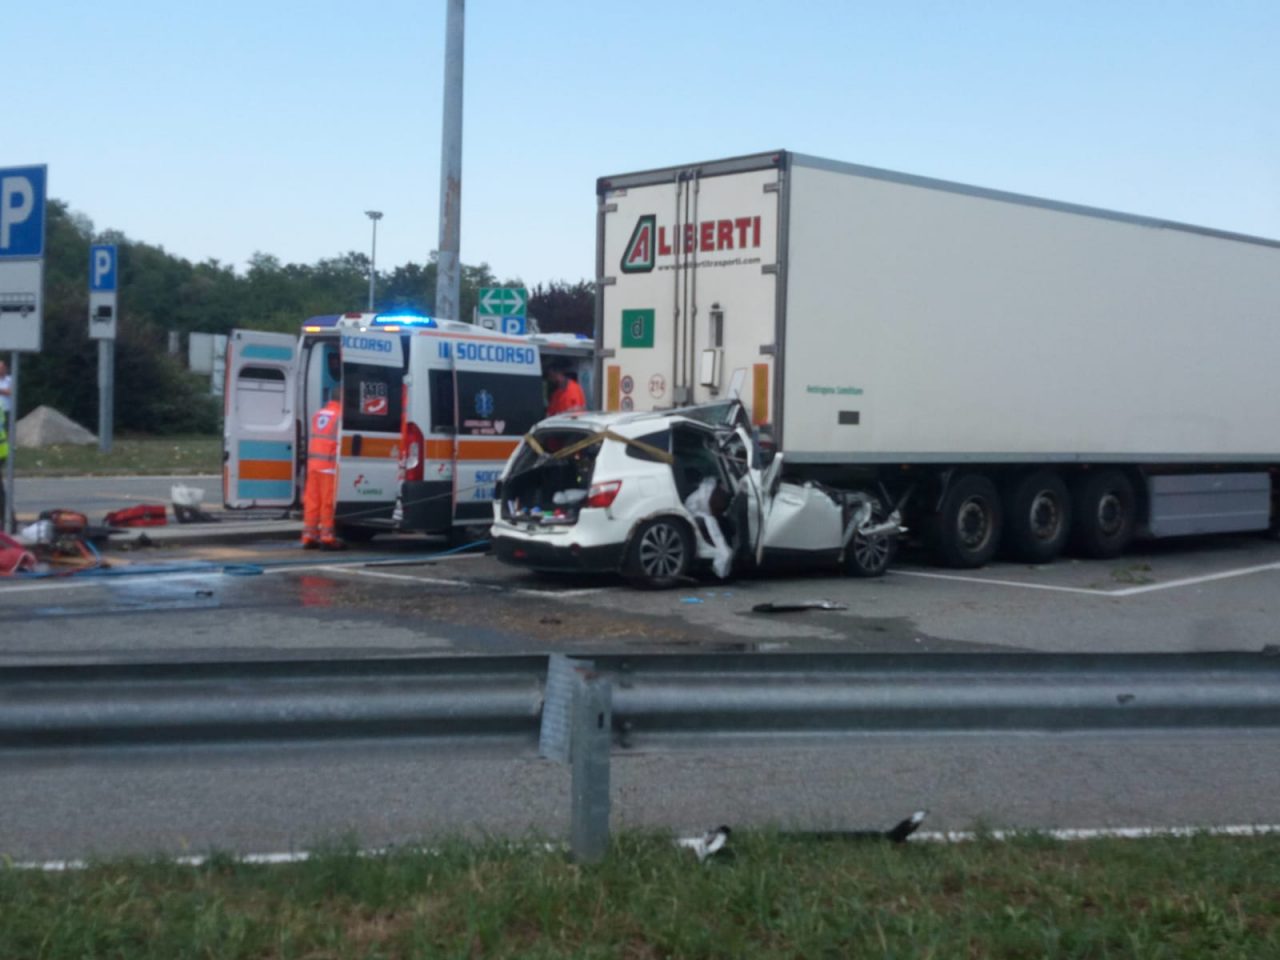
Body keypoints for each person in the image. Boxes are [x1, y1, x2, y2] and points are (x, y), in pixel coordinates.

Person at [303, 384, 343, 550]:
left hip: (313, 464)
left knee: (312, 501)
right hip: (328, 465)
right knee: (327, 502)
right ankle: (327, 537)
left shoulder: (318, 414)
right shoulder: (339, 416)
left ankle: (309, 535)